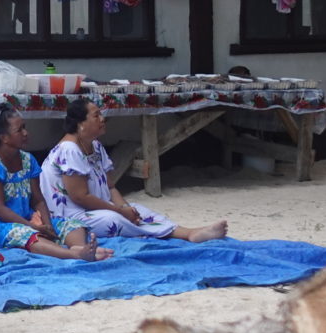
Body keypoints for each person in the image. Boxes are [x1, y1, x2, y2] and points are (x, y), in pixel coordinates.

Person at [41, 99, 227, 242]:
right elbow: (80, 197)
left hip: (95, 209)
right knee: (113, 219)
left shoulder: (95, 146)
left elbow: (110, 187)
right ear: (80, 123)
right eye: (96, 115)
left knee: (138, 210)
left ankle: (189, 232)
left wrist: (125, 208)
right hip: (70, 217)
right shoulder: (69, 150)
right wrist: (121, 212)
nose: (102, 119)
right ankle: (177, 235)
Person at [0, 105, 110, 260]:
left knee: (72, 224)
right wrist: (32, 226)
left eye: (24, 127)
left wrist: (48, 226)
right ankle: (72, 254)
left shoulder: (27, 160)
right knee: (25, 233)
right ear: (3, 137)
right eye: (19, 130)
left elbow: (38, 199)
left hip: (24, 218)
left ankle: (79, 248)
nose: (26, 133)